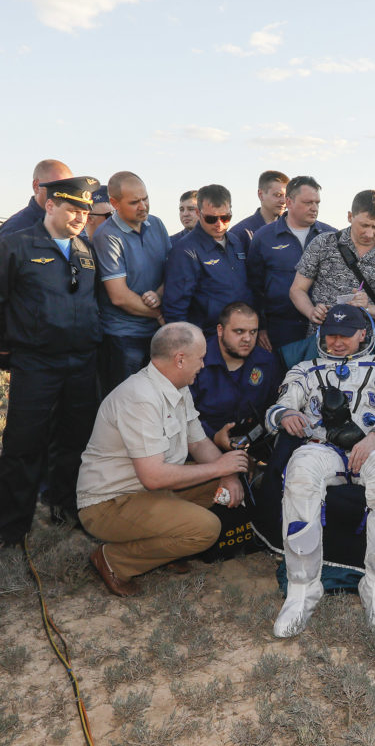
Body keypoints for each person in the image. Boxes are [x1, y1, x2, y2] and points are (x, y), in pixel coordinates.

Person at [265, 304, 375, 635]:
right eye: (330, 334)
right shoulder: (305, 369)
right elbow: (276, 408)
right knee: (300, 469)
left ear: (363, 333)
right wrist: (285, 416)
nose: (337, 342)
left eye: (345, 335)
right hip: (324, 447)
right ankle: (302, 588)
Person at [76, 322, 250, 596]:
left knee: (231, 478)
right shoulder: (141, 397)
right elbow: (154, 477)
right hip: (110, 503)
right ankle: (114, 560)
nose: (203, 365)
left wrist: (227, 473)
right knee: (206, 529)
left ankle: (166, 546)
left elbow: (199, 442)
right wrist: (219, 467)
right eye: (201, 358)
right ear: (180, 359)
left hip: (147, 492)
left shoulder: (177, 387)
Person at [0, 176, 103, 546]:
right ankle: (11, 529)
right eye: (72, 209)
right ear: (50, 205)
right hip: (37, 363)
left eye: (85, 211)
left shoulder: (85, 249)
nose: (79, 217)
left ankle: (64, 507)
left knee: (75, 442)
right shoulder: (16, 245)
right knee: (23, 445)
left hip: (81, 361)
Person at [289, 190, 375, 338]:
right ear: (350, 216)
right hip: (324, 341)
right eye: (364, 225)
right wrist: (311, 311)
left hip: (370, 346)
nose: (369, 234)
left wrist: (367, 308)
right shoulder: (323, 244)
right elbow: (297, 290)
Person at [93, 171, 172, 395]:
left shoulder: (156, 224)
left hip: (157, 336)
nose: (143, 206)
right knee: (127, 405)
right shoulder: (107, 235)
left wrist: (158, 293)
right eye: (134, 202)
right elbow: (119, 296)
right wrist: (159, 313)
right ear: (114, 203)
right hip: (123, 339)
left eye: (145, 198)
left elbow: (172, 272)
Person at [247, 175, 336, 350]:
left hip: (324, 327)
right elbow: (254, 287)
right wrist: (260, 327)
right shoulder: (263, 237)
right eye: (307, 202)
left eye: (317, 202)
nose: (314, 208)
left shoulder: (331, 236)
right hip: (280, 329)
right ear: (289, 201)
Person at [189, 302, 283, 451]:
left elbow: (276, 406)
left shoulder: (267, 362)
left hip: (253, 447)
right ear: (220, 330)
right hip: (198, 445)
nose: (247, 338)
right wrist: (213, 436)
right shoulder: (196, 360)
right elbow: (182, 415)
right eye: (239, 331)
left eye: (253, 332)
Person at [163, 184, 254, 335]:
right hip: (207, 336)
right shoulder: (185, 251)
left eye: (225, 217)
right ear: (198, 213)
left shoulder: (235, 241)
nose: (219, 224)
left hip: (241, 332)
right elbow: (175, 308)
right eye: (211, 218)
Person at [0, 159, 73, 236]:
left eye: (69, 189)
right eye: (57, 187)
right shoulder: (16, 230)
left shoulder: (74, 227)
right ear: (36, 186)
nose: (64, 194)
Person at [229, 170, 289, 253]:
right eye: (278, 195)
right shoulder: (240, 233)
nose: (283, 201)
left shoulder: (290, 230)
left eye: (286, 196)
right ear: (261, 195)